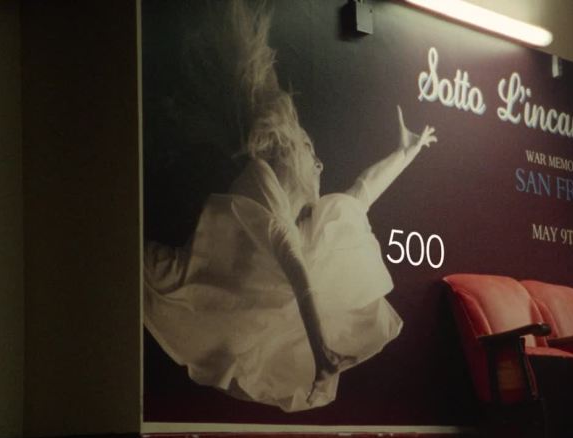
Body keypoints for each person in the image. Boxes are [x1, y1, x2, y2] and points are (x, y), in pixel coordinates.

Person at [143, 0, 437, 412]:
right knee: (150, 272)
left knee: (341, 214)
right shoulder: (262, 180)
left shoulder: (309, 217)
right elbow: (294, 265)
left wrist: (405, 153)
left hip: (264, 299)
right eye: (308, 149)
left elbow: (363, 192)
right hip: (220, 284)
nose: (320, 163)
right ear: (286, 153)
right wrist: (321, 351)